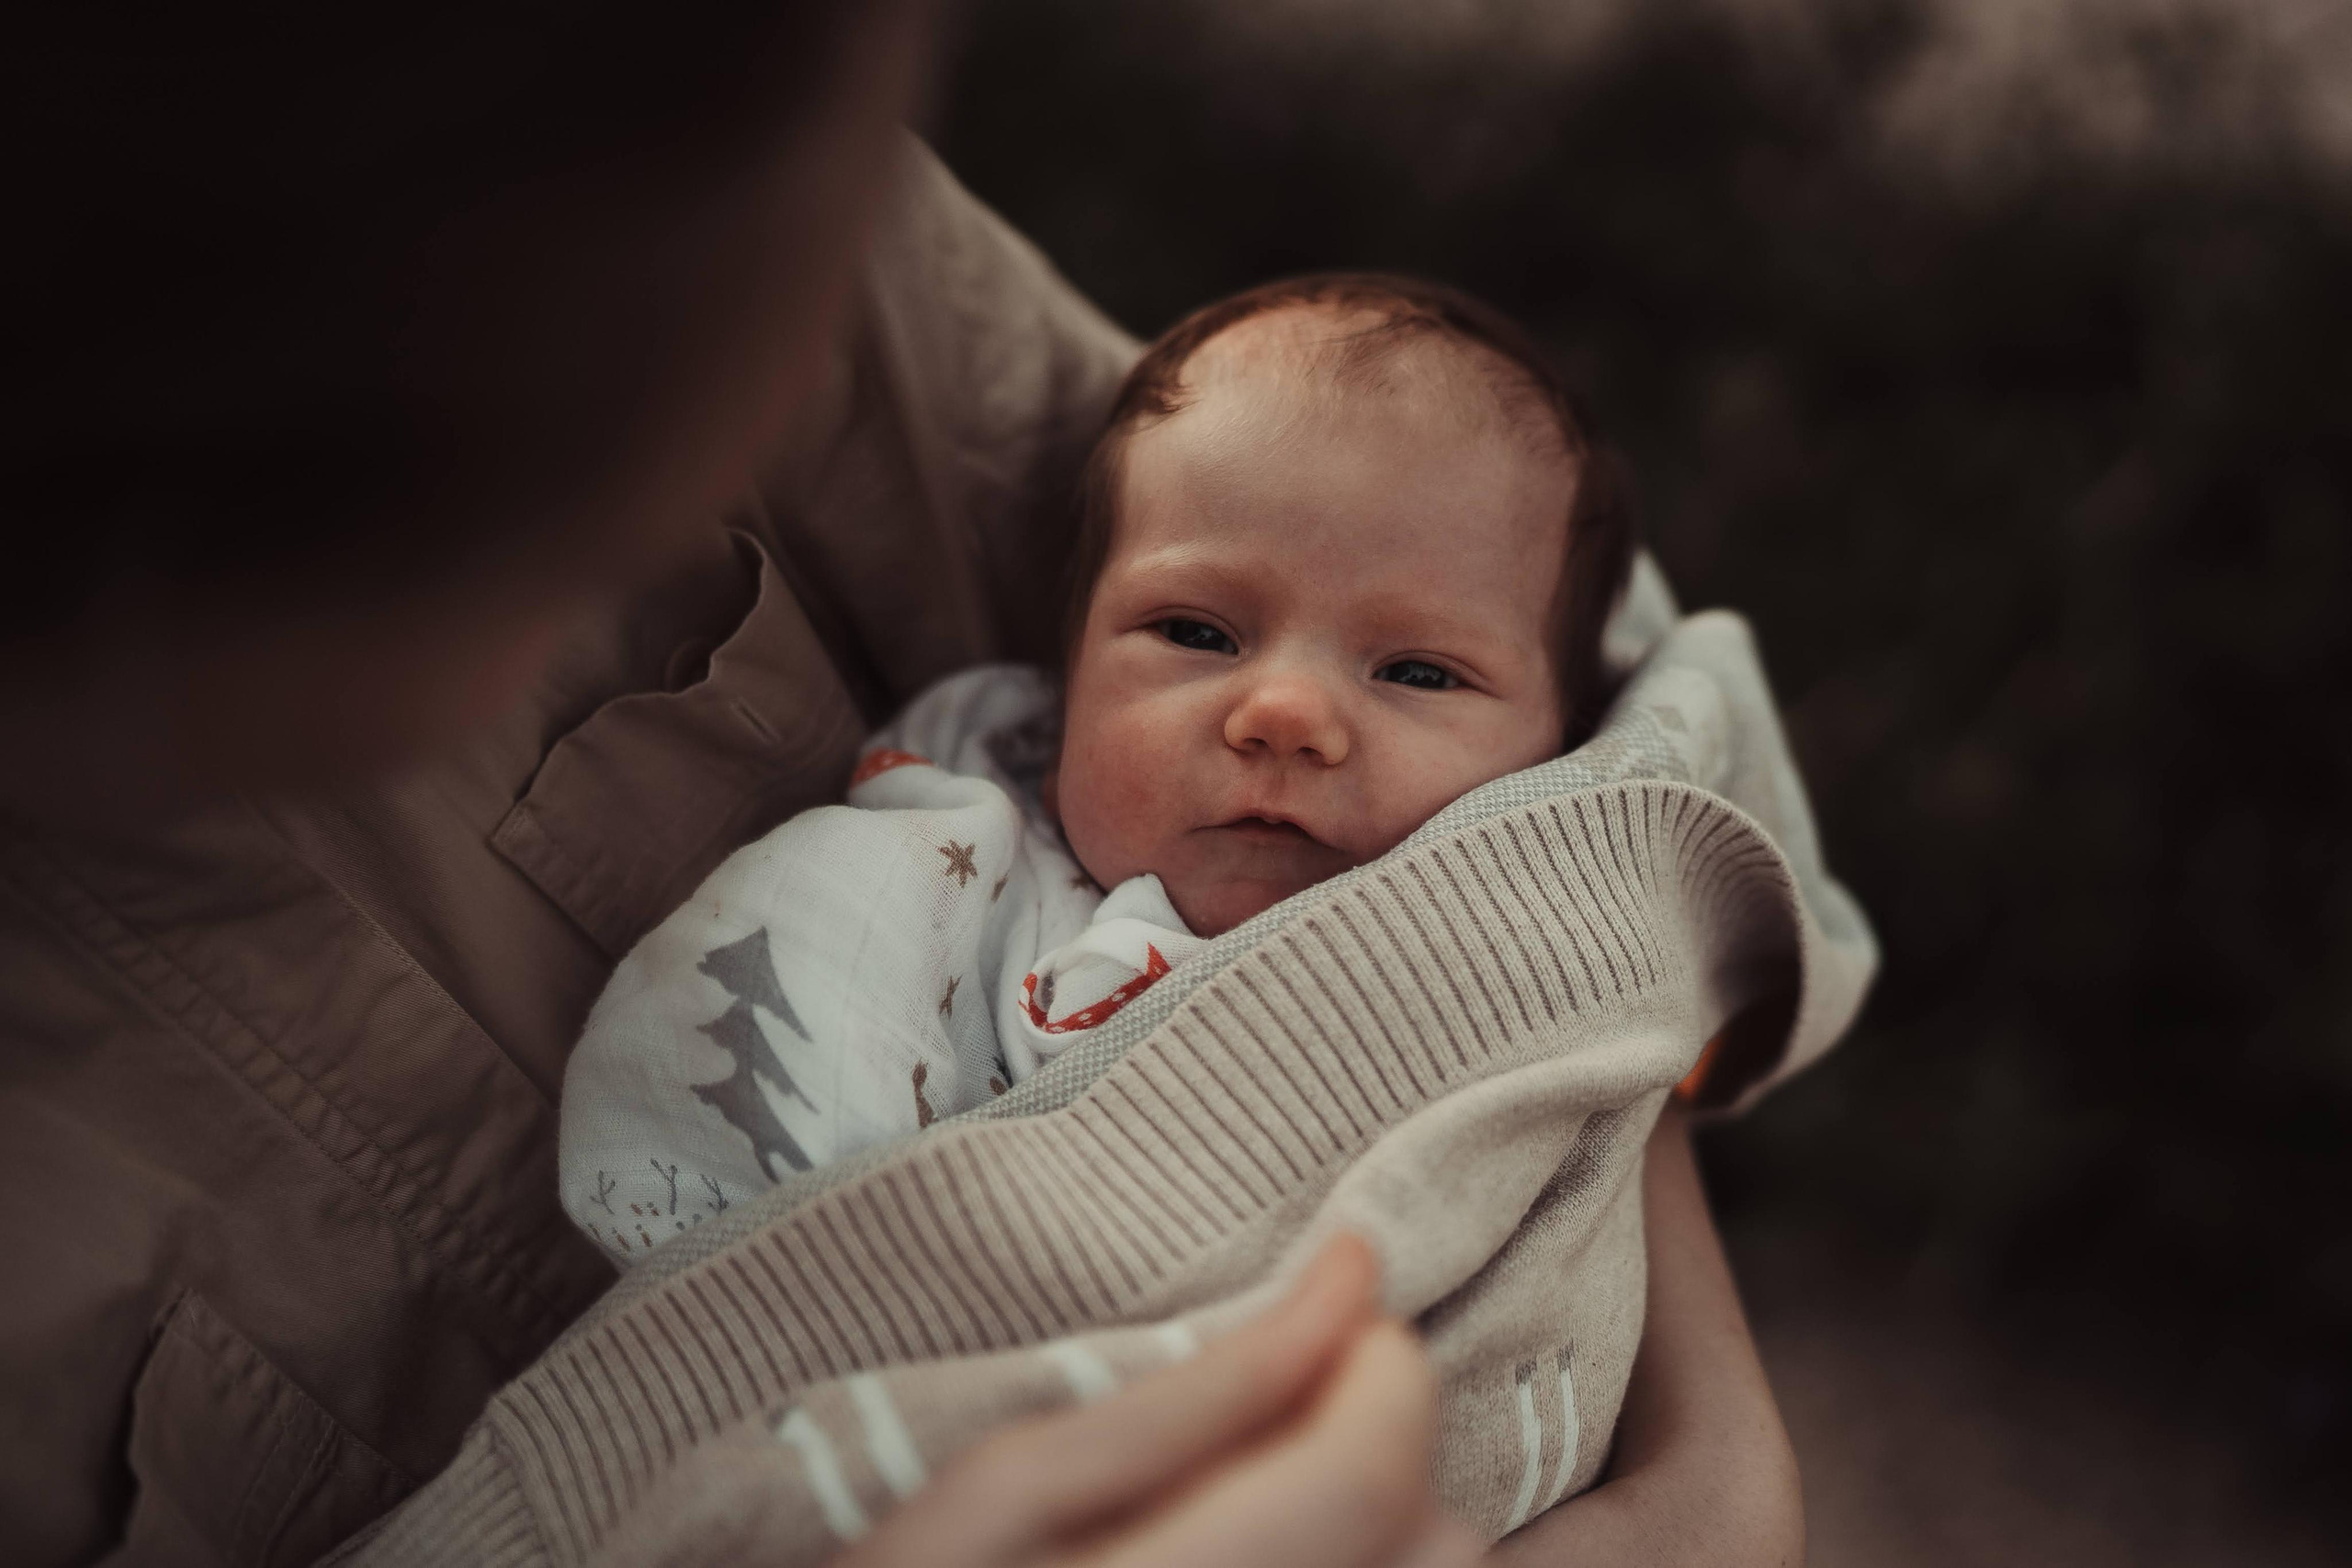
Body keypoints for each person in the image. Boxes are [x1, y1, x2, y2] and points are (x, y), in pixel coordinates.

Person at [0, 6, 1803, 1566]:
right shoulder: (956, 845)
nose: (1279, 713)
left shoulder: (714, 150)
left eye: (1411, 674)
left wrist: (1709, 1481)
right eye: (1189, 632)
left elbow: (1543, 656)